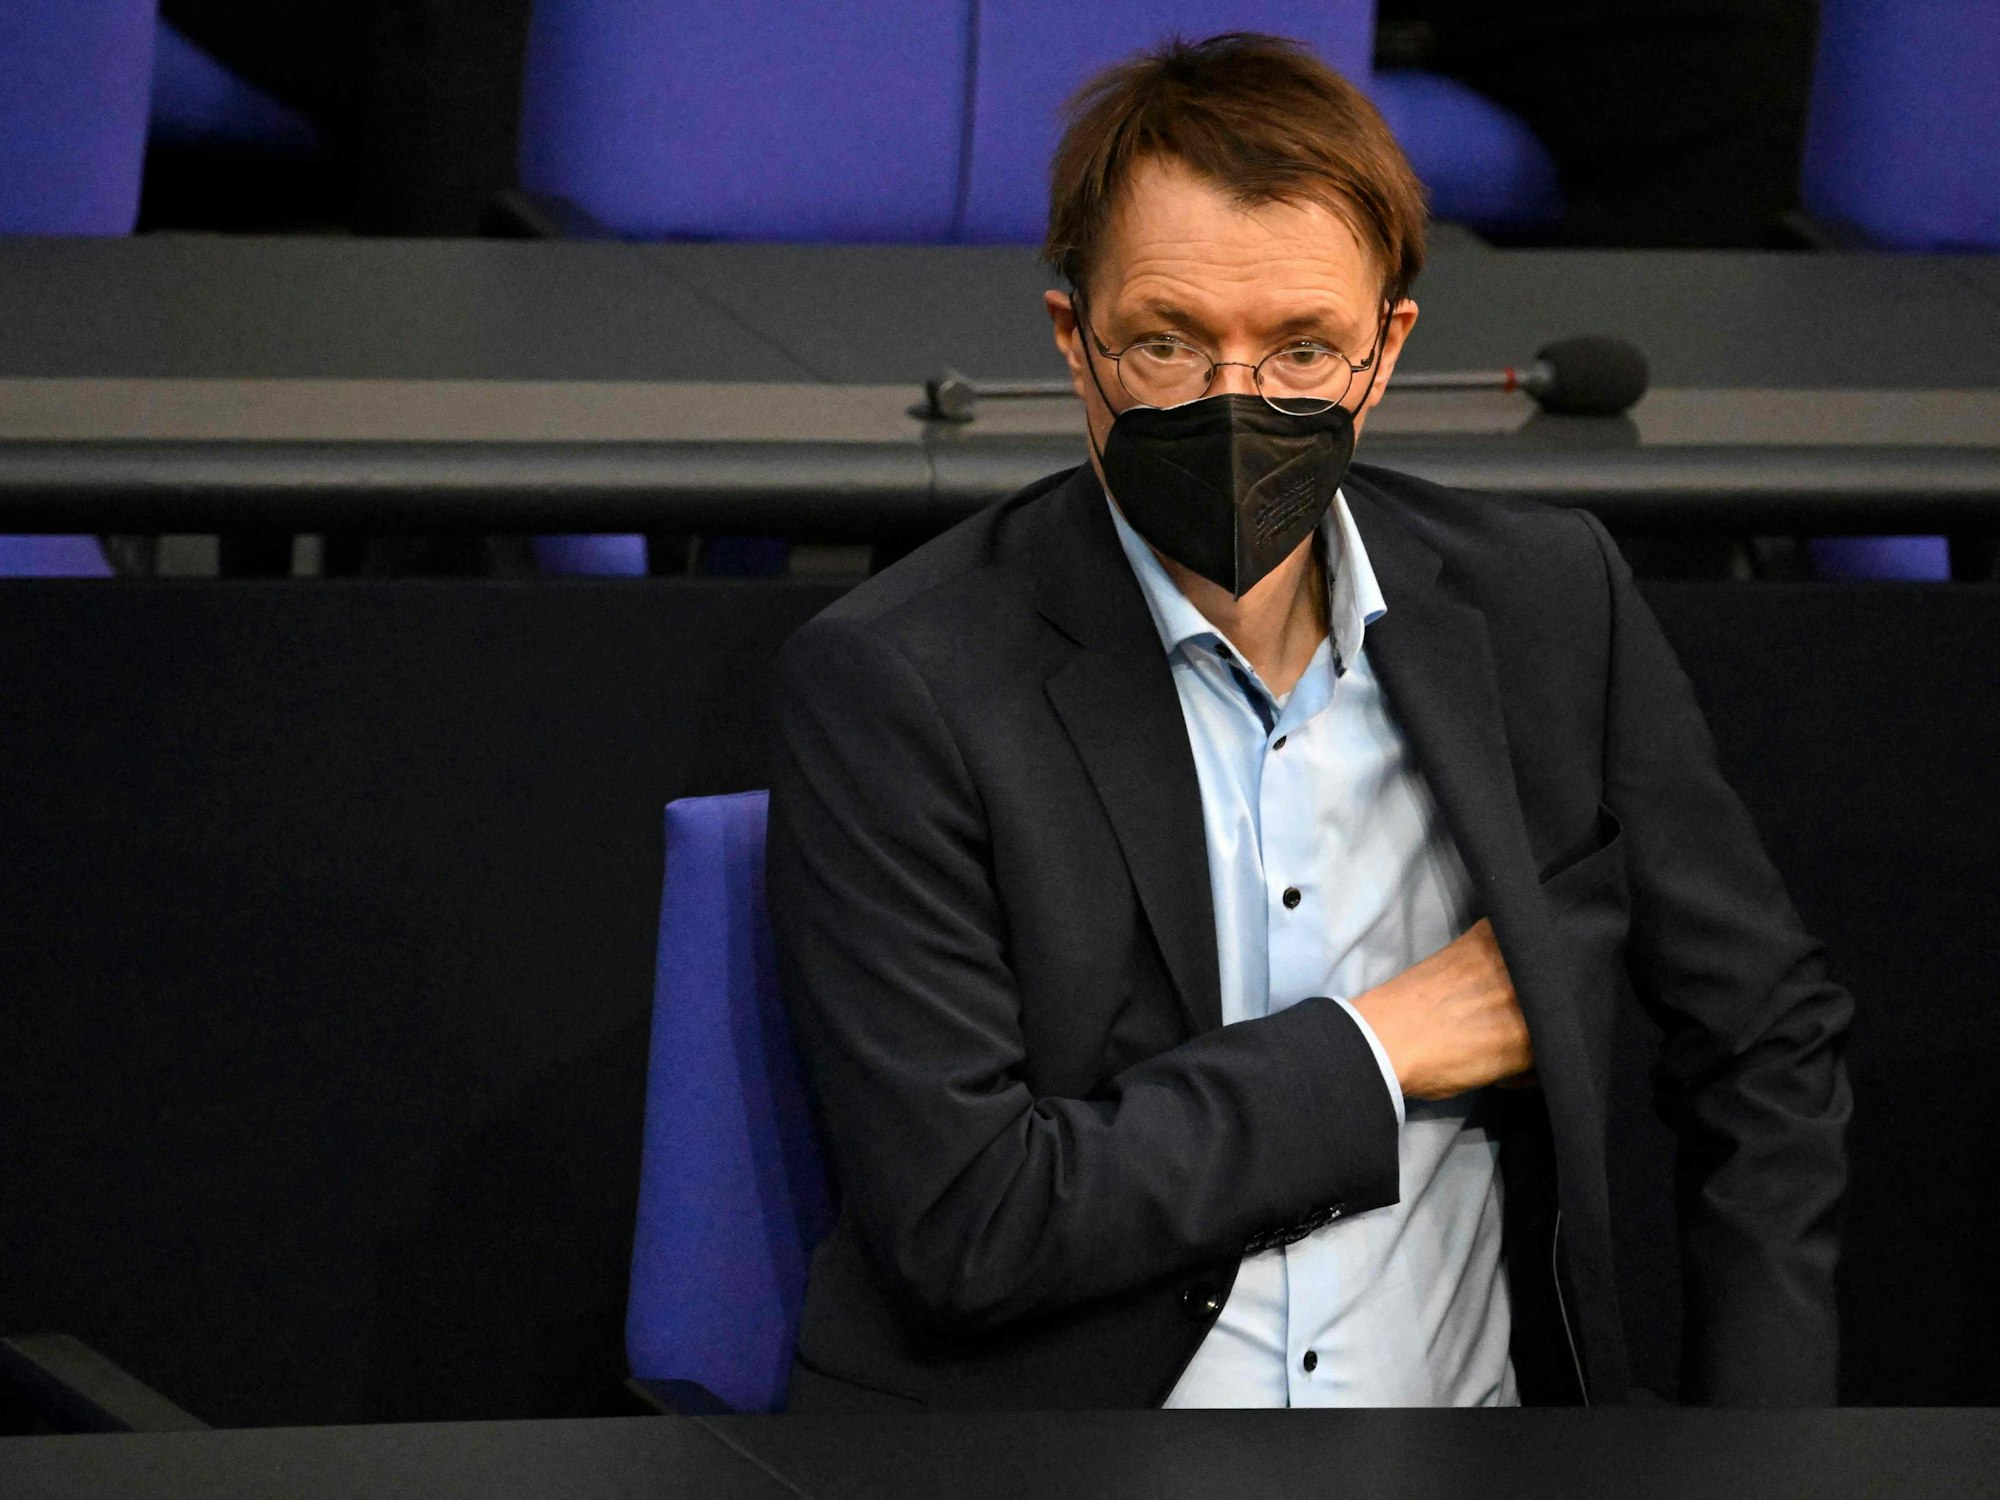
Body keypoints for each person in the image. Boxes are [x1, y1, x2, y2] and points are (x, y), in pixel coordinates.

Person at [767, 33, 1851, 1411]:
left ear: (1383, 352)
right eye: (1167, 343)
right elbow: (971, 1220)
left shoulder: (1546, 610)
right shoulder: (897, 680)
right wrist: (1386, 1043)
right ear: (1071, 338)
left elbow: (1764, 1037)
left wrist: (1768, 1447)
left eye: (1299, 350)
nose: (1234, 401)